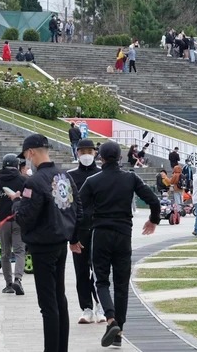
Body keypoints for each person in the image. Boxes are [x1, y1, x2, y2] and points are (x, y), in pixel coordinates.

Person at [76, 140, 159, 348]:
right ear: (120, 158)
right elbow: (154, 201)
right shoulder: (130, 178)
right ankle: (118, 332)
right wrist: (153, 220)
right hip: (123, 234)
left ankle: (111, 319)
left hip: (101, 233)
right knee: (121, 285)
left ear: (100, 158)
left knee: (101, 281)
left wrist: (74, 237)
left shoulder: (93, 181)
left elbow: (78, 211)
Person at [10, 134, 79, 352]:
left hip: (43, 245)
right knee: (60, 299)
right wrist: (74, 237)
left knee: (48, 304)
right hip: (60, 243)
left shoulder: (34, 181)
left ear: (30, 152)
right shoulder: (64, 176)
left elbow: (27, 216)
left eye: (26, 155)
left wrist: (17, 204)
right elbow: (78, 209)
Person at [66, 139, 102, 323]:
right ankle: (86, 307)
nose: (86, 154)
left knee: (99, 271)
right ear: (77, 153)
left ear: (95, 153)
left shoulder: (102, 174)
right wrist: (70, 235)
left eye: (89, 151)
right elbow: (66, 205)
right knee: (81, 271)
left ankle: (101, 306)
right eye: (82, 151)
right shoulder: (69, 176)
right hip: (78, 230)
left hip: (99, 230)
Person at [0, 153, 28, 295]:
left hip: (3, 221)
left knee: (5, 253)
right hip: (19, 220)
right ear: (16, 165)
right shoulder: (23, 179)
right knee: (20, 251)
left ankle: (8, 284)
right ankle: (18, 279)